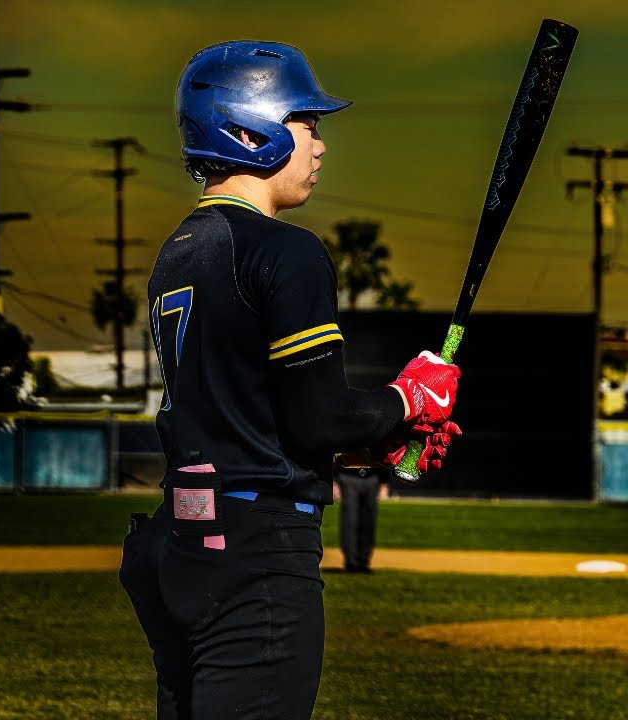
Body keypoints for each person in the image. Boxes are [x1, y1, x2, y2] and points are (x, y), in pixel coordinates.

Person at [118, 41, 464, 719]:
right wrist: (408, 397)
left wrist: (374, 447)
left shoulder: (180, 251)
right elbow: (320, 419)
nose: (320, 145)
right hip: (259, 553)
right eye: (308, 124)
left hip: (183, 544)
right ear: (250, 131)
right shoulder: (286, 251)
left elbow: (246, 414)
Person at [334, 451, 385, 573]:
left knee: (369, 521)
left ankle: (364, 561)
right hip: (348, 476)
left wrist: (384, 481)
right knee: (349, 521)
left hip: (372, 476)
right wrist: (334, 479)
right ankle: (351, 561)